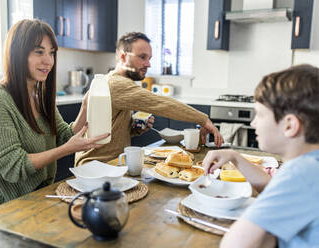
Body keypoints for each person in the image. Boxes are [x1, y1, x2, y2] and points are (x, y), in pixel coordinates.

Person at [0, 19, 109, 214]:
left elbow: (63, 136)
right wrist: (66, 150)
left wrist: (86, 106)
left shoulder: (40, 95)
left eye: (51, 53)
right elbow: (14, 166)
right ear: (17, 54)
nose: (49, 61)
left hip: (35, 201)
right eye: (39, 52)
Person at [202, 64, 319, 248]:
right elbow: (272, 187)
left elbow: (234, 245)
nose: (253, 122)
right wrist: (235, 157)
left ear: (290, 126)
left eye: (260, 115)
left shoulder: (300, 173)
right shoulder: (312, 165)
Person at [75, 32, 223, 166]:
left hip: (112, 164)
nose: (148, 64)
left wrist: (135, 128)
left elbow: (108, 130)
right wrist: (203, 119)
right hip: (96, 167)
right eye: (142, 57)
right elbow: (161, 104)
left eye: (149, 58)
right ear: (122, 56)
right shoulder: (116, 84)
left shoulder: (116, 82)